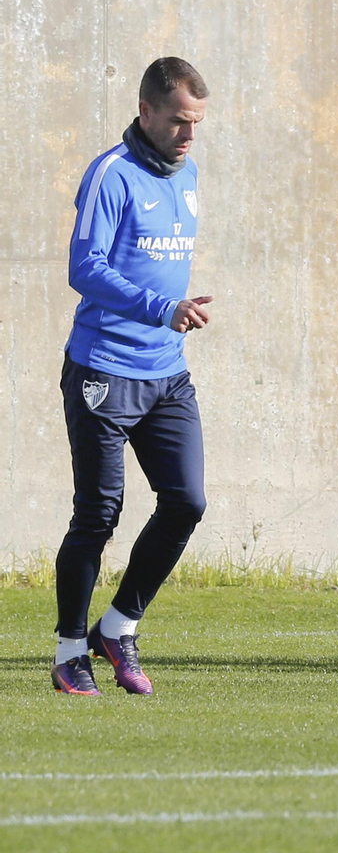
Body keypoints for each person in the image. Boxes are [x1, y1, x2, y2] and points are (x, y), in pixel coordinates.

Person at [52, 57, 214, 696]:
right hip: (103, 372)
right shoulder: (110, 174)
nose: (189, 135)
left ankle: (117, 626)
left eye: (197, 123)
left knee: (187, 501)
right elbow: (85, 268)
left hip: (166, 372)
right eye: (178, 121)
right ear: (146, 111)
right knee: (98, 513)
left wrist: (178, 306)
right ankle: (69, 652)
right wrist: (162, 307)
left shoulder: (190, 173)